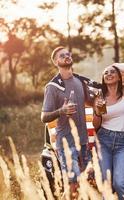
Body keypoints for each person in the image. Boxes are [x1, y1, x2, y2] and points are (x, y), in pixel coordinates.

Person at [41, 46, 95, 197]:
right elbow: (44, 117)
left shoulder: (79, 81)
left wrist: (98, 101)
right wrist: (61, 111)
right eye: (62, 55)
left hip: (83, 142)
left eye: (68, 54)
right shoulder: (52, 87)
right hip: (66, 143)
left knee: (85, 183)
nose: (66, 56)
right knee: (74, 183)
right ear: (56, 62)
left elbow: (89, 102)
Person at [92, 63, 124, 200]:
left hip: (123, 143)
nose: (108, 74)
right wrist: (97, 112)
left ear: (119, 77)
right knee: (106, 182)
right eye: (106, 73)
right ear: (103, 79)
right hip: (104, 140)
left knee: (120, 182)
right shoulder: (100, 97)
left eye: (112, 72)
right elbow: (96, 124)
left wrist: (112, 65)